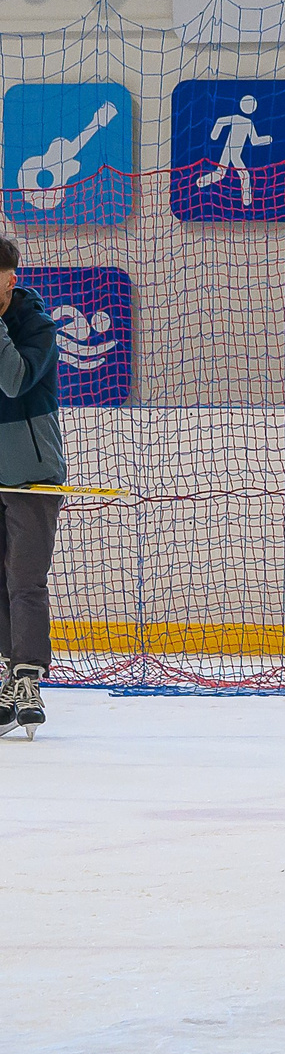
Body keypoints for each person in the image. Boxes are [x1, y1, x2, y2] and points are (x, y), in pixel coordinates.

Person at [0, 237, 61, 734]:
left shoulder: (36, 327)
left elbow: (14, 380)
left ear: (11, 279)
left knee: (24, 581)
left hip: (30, 479)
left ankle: (28, 677)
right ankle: (6, 672)